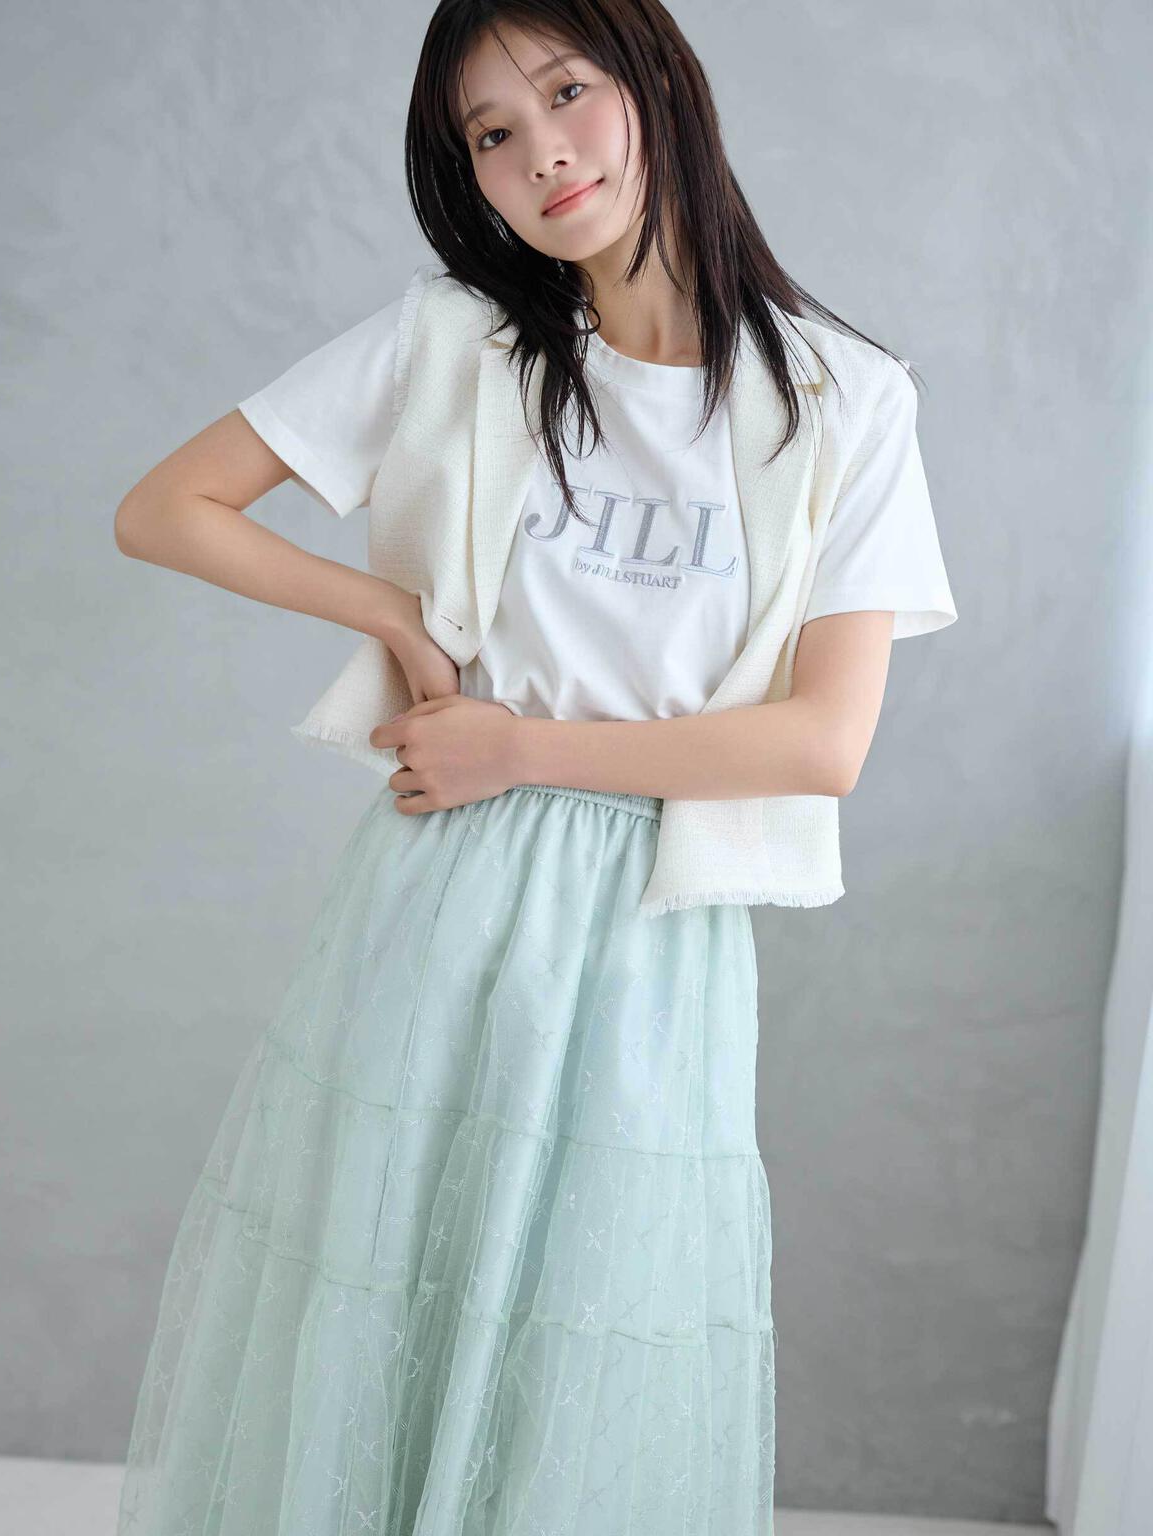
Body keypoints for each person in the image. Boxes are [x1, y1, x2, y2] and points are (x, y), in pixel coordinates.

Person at [112, 2, 957, 1532]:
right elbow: (165, 508)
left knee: (588, 1338)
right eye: (492, 133)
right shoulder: (457, 342)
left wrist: (523, 745)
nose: (543, 153)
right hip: (441, 892)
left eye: (568, 94)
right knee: (386, 1293)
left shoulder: (846, 399)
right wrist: (383, 608)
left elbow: (822, 743)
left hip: (652, 927)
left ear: (657, 84)